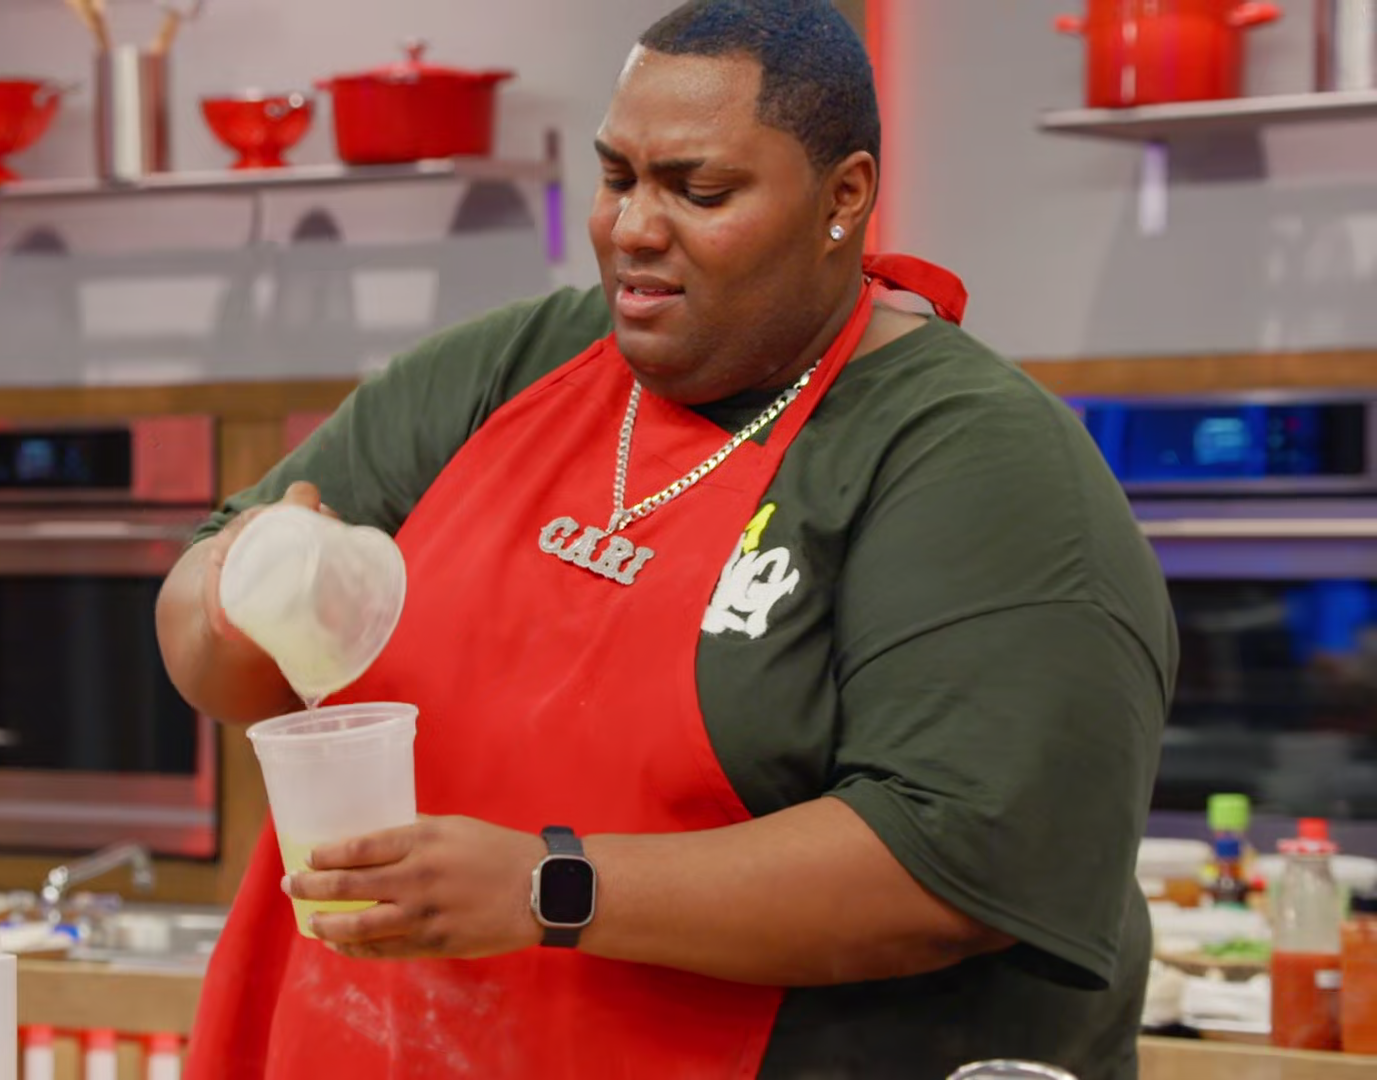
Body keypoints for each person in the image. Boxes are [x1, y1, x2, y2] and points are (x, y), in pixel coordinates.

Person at [154, 1, 1177, 1076]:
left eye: (700, 191)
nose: (633, 228)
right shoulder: (511, 368)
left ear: (844, 197)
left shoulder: (970, 456)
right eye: (618, 178)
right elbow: (206, 642)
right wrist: (244, 588)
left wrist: (546, 886)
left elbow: (955, 863)